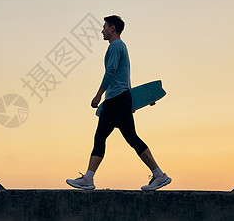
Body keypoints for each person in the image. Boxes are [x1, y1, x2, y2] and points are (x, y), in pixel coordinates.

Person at [66, 15, 171, 191]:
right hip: (120, 99)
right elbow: (125, 76)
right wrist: (131, 102)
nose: (102, 30)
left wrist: (98, 95)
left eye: (105, 27)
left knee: (106, 138)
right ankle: (159, 175)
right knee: (126, 138)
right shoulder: (121, 46)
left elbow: (112, 71)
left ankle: (88, 179)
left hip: (115, 100)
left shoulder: (115, 46)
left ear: (112, 28)